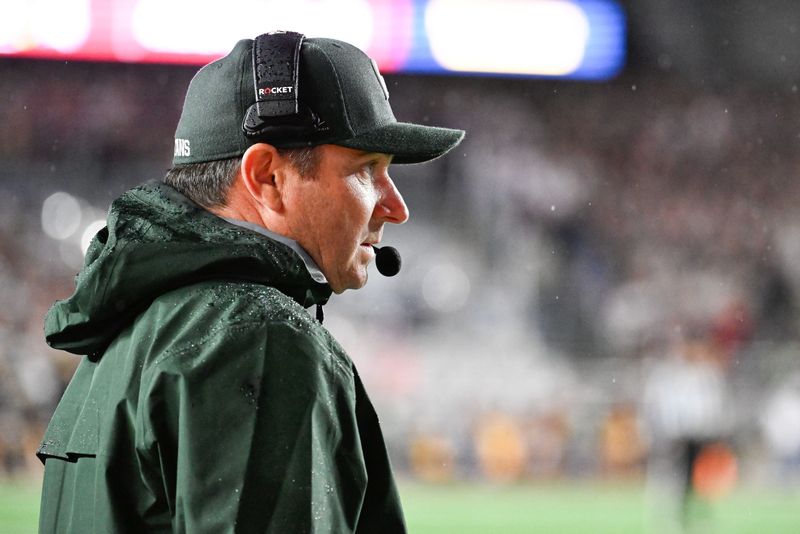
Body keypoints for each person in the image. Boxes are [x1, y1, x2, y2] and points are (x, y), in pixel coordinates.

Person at [36, 31, 464, 533]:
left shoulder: (123, 334)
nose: (396, 207)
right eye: (366, 170)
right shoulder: (258, 338)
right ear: (267, 178)